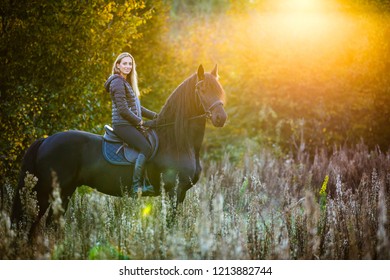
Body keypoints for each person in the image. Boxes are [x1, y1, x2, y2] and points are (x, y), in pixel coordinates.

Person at [104, 52, 157, 195]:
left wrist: (156, 116)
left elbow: (138, 108)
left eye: (130, 64)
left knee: (151, 143)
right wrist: (140, 122)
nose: (128, 66)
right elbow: (123, 110)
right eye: (125, 63)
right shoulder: (117, 82)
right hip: (122, 125)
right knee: (146, 148)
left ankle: (146, 181)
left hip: (129, 124)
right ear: (118, 65)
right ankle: (136, 186)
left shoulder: (126, 82)